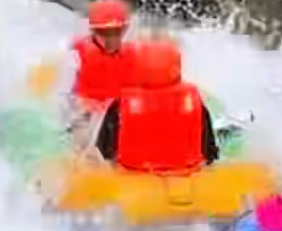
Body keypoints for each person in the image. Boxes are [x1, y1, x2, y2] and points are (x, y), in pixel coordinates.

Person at [94, 38, 219, 172]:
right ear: (176, 67)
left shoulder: (120, 104)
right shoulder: (194, 101)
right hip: (185, 175)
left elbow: (104, 150)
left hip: (134, 175)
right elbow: (209, 153)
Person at [69, 0, 138, 111]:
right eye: (103, 32)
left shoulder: (132, 56)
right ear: (93, 31)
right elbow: (62, 98)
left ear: (125, 29)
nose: (110, 39)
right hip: (83, 117)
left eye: (116, 32)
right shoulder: (76, 55)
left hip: (115, 117)